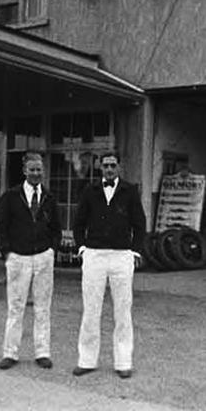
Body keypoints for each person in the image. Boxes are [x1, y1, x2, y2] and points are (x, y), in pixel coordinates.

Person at [72, 151, 147, 378]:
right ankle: (86, 360)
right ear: (100, 168)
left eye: (113, 166)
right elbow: (78, 223)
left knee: (123, 311)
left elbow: (140, 224)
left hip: (122, 256)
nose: (109, 169)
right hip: (94, 255)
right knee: (91, 310)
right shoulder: (90, 191)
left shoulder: (130, 191)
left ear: (119, 168)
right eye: (105, 166)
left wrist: (134, 251)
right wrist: (83, 248)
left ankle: (123, 362)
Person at [0, 152, 61, 370]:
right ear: (24, 171)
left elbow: (56, 229)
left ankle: (42, 352)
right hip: (18, 258)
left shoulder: (49, 198)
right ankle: (10, 353)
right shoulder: (11, 196)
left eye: (39, 170)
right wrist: (7, 253)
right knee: (16, 307)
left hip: (43, 257)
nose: (35, 173)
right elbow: (1, 227)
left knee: (43, 307)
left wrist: (52, 250)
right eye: (32, 169)